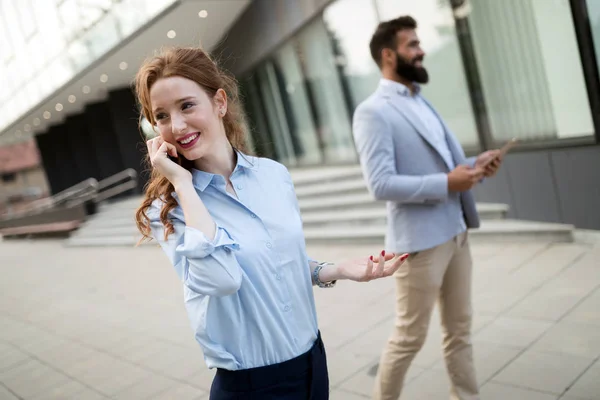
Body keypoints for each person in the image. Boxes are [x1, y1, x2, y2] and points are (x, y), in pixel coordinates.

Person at [133, 46, 410, 400]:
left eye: (186, 105)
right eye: (162, 116)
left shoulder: (273, 175)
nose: (178, 126)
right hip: (252, 386)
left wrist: (336, 269)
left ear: (219, 103)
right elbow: (223, 278)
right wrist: (184, 185)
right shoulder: (169, 209)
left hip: (313, 363)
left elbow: (275, 262)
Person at [352, 16, 503, 400]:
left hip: (456, 233)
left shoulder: (420, 98)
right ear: (389, 55)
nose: (421, 51)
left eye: (419, 43)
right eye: (412, 45)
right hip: (419, 248)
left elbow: (439, 167)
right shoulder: (373, 111)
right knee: (408, 339)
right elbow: (380, 183)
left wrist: (473, 165)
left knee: (460, 330)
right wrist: (448, 183)